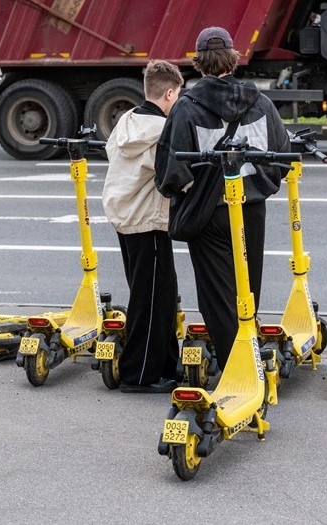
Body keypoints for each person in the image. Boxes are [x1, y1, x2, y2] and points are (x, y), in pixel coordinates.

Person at [155, 26, 290, 372]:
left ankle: (237, 367)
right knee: (248, 287)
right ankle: (250, 355)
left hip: (208, 212)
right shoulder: (261, 104)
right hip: (251, 209)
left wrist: (194, 188)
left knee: (218, 295)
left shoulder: (187, 108)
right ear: (233, 58)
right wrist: (259, 185)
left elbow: (170, 172)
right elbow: (281, 158)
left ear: (199, 62)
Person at [102, 60, 184, 393]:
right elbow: (173, 174)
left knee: (159, 296)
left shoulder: (127, 121)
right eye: (178, 95)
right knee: (150, 303)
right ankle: (138, 375)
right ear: (169, 93)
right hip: (147, 220)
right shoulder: (163, 131)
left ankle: (166, 365)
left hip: (125, 216)